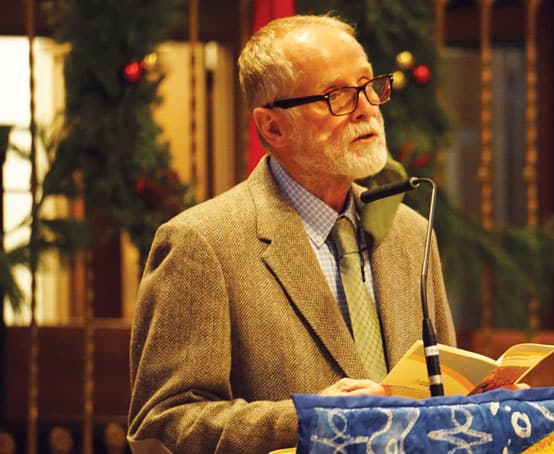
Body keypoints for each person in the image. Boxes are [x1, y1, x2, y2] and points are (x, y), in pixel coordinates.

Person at [127, 14, 456, 453]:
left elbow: (446, 394)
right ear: (273, 127)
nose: (366, 108)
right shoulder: (201, 242)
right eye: (338, 95)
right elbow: (161, 424)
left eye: (369, 85)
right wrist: (303, 420)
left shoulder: (411, 233)